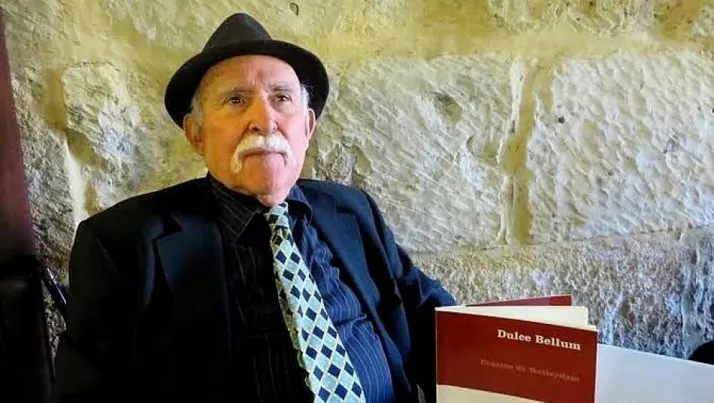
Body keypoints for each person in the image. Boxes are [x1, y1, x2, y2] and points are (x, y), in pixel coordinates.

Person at [52, 13, 456, 403]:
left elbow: (429, 315)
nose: (264, 120)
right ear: (196, 134)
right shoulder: (122, 244)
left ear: (307, 127)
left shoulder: (351, 210)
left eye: (281, 98)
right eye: (236, 100)